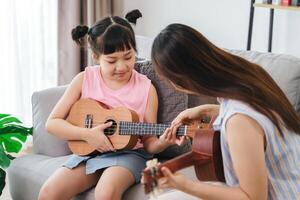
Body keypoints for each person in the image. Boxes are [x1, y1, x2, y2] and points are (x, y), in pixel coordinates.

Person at [38, 10, 182, 200]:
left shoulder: (147, 88)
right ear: (95, 57)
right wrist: (87, 135)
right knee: (49, 193)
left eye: (128, 57)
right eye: (112, 60)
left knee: (106, 192)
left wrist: (164, 141)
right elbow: (52, 123)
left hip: (130, 154)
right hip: (89, 151)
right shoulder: (84, 79)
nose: (122, 67)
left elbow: (149, 143)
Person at [147, 23, 300, 200]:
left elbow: (253, 197)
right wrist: (207, 110)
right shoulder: (251, 74)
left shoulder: (238, 121)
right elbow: (260, 120)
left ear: (182, 79)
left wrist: (185, 185)